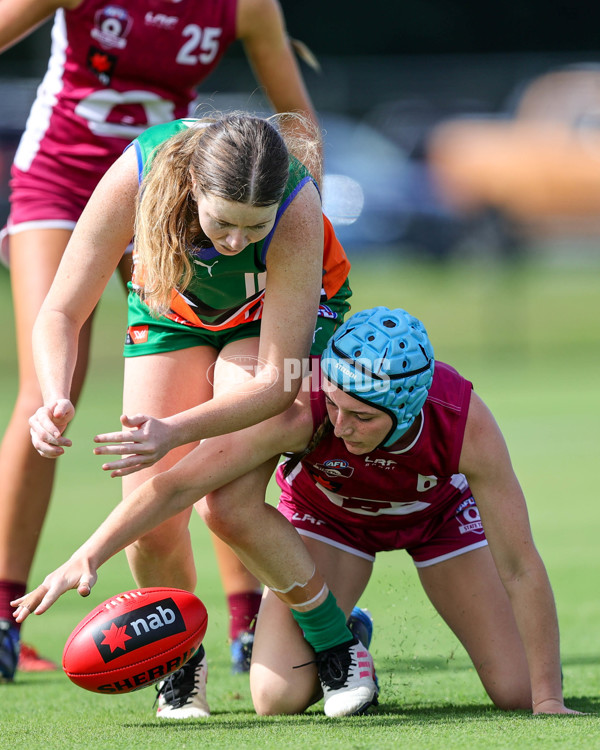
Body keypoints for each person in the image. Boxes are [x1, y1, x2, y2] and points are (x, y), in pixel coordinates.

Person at [14, 306, 577, 716]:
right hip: (331, 521)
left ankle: (529, 688)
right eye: (334, 404)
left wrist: (549, 700)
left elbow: (521, 565)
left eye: (361, 416)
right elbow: (175, 487)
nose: (340, 424)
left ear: (406, 409)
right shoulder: (302, 407)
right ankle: (343, 631)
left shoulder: (463, 420)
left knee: (518, 694)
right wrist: (86, 556)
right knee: (275, 699)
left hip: (437, 521)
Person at [0, 0, 322, 681]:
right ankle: (6, 613)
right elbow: (59, 314)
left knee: (225, 417)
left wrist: (292, 232)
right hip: (78, 171)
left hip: (193, 189)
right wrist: (56, 397)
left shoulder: (245, 7)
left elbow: (299, 128)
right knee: (47, 384)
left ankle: (243, 618)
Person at [23, 111, 366, 718]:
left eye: (251, 228)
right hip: (173, 310)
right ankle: (179, 659)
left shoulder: (295, 206)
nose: (235, 241)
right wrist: (55, 396)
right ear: (192, 190)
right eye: (223, 223)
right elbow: (59, 311)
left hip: (268, 324)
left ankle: (337, 641)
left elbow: (274, 386)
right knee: (152, 520)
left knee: (225, 504)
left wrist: (174, 432)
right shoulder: (139, 173)